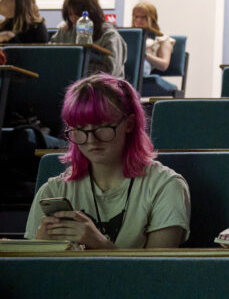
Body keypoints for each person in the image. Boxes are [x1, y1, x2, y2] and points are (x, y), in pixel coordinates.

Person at [25, 74, 190, 249]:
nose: (91, 139)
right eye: (79, 129)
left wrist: (100, 244)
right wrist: (40, 248)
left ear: (130, 124)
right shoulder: (52, 191)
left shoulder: (166, 187)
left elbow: (160, 272)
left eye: (102, 126)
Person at [50, 0, 127, 78]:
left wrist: (77, 67)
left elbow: (110, 71)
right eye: (70, 14)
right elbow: (50, 55)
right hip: (71, 83)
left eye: (78, 14)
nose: (74, 19)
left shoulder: (110, 36)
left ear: (92, 12)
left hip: (104, 87)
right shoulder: (65, 31)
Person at [130, 1, 175, 76]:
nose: (138, 20)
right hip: (127, 65)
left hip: (143, 67)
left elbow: (164, 65)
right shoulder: (129, 35)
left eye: (143, 17)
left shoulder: (162, 39)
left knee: (143, 64)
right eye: (136, 17)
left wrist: (144, 54)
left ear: (153, 19)